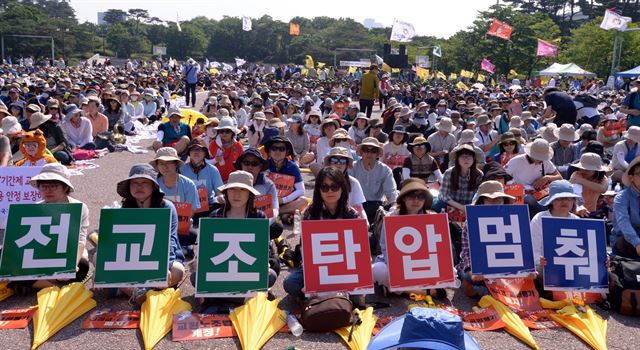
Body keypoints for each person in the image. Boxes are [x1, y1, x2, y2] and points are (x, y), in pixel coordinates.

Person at [8, 163, 90, 292]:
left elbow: (80, 239)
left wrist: (72, 264)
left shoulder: (80, 207)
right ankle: (53, 286)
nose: (47, 190)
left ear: (65, 187)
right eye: (43, 186)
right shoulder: (34, 208)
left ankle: (32, 283)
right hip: (39, 255)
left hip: (65, 253)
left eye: (53, 186)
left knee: (83, 265)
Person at [283, 167, 360, 299]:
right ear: (318, 190)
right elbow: (305, 249)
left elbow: (358, 252)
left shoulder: (352, 214)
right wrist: (311, 279)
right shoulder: (310, 213)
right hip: (317, 269)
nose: (330, 191)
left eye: (334, 187)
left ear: (342, 188)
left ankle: (321, 296)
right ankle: (326, 296)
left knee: (362, 291)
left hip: (344, 269)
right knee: (290, 283)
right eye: (324, 187)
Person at [115, 163, 185, 299]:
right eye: (134, 183)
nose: (139, 186)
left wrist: (163, 267)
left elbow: (170, 240)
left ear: (153, 187)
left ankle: (129, 290)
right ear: (129, 187)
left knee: (177, 270)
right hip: (133, 261)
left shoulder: (166, 207)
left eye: (144, 183)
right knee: (96, 258)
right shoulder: (124, 209)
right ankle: (142, 292)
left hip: (161, 259)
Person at [199, 170, 278, 288]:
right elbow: (207, 248)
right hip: (220, 267)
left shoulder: (259, 217)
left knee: (270, 275)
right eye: (232, 189)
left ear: (250, 194)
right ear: (226, 192)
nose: (237, 194)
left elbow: (264, 246)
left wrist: (264, 263)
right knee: (195, 276)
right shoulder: (215, 215)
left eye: (242, 190)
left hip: (248, 267)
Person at [372, 178, 437, 294]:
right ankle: (424, 291)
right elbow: (385, 246)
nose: (416, 200)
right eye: (411, 196)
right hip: (397, 265)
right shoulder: (391, 217)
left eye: (421, 196)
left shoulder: (432, 218)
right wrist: (398, 266)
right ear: (404, 198)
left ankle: (400, 290)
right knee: (377, 270)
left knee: (452, 271)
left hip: (423, 265)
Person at [458, 181, 516, 297]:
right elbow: (466, 252)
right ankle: (483, 290)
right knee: (467, 277)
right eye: (490, 199)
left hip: (504, 266)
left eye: (499, 199)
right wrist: (471, 269)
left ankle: (489, 291)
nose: (495, 203)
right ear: (482, 201)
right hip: (478, 266)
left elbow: (519, 247)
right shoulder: (471, 222)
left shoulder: (512, 220)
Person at [529, 180, 581, 290]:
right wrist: (539, 260)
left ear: (573, 201)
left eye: (568, 198)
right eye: (559, 198)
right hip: (546, 266)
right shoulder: (539, 218)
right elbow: (532, 248)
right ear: (551, 201)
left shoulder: (576, 220)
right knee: (537, 273)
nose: (564, 202)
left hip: (571, 267)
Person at [151, 147, 200, 247]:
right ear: (157, 166)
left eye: (169, 163)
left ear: (176, 164)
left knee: (194, 235)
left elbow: (191, 212)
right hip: (159, 226)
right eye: (161, 163)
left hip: (181, 226)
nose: (165, 167)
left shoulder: (188, 184)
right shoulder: (153, 184)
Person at [505, 138, 563, 216]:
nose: (541, 160)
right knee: (529, 202)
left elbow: (559, 177)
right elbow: (503, 178)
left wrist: (546, 178)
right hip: (521, 193)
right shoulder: (516, 161)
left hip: (540, 193)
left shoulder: (545, 161)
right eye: (538, 157)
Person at [350, 137, 398, 222]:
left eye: (373, 151)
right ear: (361, 152)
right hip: (356, 206)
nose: (369, 153)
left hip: (376, 206)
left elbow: (391, 191)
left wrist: (394, 205)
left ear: (377, 154)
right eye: (366, 150)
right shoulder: (352, 167)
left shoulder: (385, 170)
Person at [265, 136, 309, 224]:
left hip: (287, 201)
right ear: (269, 151)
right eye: (274, 148)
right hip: (267, 202)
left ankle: (276, 213)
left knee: (304, 201)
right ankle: (283, 215)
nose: (277, 151)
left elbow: (301, 190)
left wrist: (283, 200)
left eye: (281, 149)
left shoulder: (293, 167)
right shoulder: (263, 165)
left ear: (287, 152)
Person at [179, 138, 223, 220]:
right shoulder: (181, 170)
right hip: (187, 207)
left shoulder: (213, 170)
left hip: (208, 206)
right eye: (193, 149)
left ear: (205, 153)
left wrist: (220, 197)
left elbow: (219, 191)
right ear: (189, 153)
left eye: (200, 150)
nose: (196, 152)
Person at [324, 147, 367, 220]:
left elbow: (359, 207)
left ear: (347, 165)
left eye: (343, 161)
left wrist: (365, 222)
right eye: (334, 160)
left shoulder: (354, 182)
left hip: (348, 220)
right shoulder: (322, 181)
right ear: (329, 163)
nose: (338, 164)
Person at [438, 144, 483, 212]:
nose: (466, 159)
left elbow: (479, 196)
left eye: (469, 156)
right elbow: (443, 195)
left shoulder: (479, 174)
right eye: (462, 156)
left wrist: (470, 207)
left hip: (471, 208)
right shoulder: (449, 173)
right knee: (438, 204)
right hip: (452, 206)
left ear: (474, 159)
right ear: (457, 159)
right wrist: (461, 207)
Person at [612, 157, 640, 258]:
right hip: (625, 239)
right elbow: (623, 222)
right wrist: (637, 243)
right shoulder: (622, 197)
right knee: (626, 240)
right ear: (631, 177)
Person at [208, 117, 244, 182]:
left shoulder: (238, 146)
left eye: (227, 131)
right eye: (221, 131)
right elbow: (206, 163)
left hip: (233, 180)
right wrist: (214, 160)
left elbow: (242, 164)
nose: (224, 133)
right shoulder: (213, 144)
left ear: (232, 132)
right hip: (216, 180)